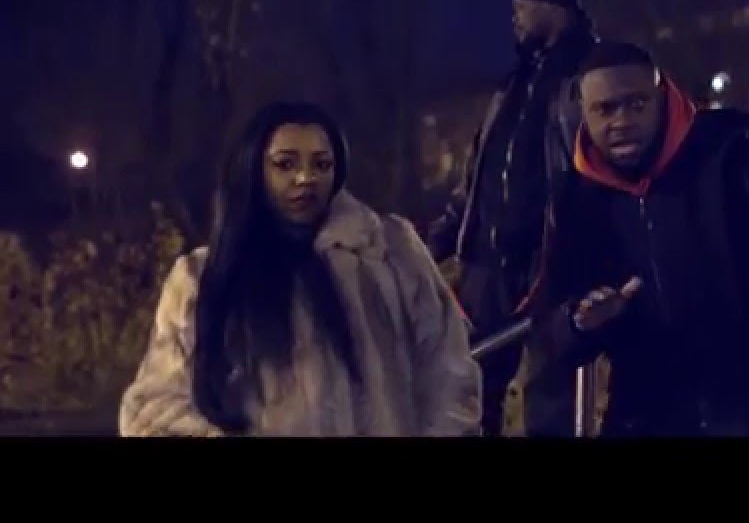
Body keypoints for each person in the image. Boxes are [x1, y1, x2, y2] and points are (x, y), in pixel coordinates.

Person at [524, 41, 749, 436]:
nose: (622, 121)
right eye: (606, 109)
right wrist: (580, 322)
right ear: (583, 115)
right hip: (651, 420)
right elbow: (548, 331)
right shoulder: (579, 202)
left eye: (636, 104)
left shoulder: (737, 163)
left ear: (662, 99)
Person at [119, 101, 481, 436]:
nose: (306, 178)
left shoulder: (391, 254)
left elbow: (451, 375)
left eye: (321, 164)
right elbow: (156, 406)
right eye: (285, 164)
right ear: (253, 169)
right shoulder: (204, 278)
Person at [426, 0, 598, 436]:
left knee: (549, 393)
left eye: (523, 8)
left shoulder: (583, 80)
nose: (515, 18)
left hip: (546, 264)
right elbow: (478, 175)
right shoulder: (512, 85)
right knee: (470, 388)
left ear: (553, 7)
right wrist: (441, 239)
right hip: (486, 266)